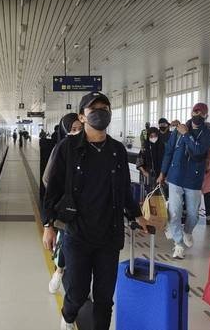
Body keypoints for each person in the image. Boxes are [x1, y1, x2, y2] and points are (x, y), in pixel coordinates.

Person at [43, 91, 148, 330]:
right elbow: (52, 190)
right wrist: (48, 226)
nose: (101, 113)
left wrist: (136, 214)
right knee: (77, 292)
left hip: (109, 236)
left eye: (105, 109)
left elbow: (123, 189)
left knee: (104, 298)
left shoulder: (117, 150)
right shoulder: (67, 148)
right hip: (77, 234)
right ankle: (68, 317)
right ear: (82, 116)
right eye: (94, 109)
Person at [158, 103, 210, 259]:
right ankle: (178, 244)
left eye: (202, 113)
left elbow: (198, 151)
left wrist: (187, 134)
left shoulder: (207, 133)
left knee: (193, 214)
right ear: (191, 111)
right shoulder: (177, 131)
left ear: (206, 116)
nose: (198, 114)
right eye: (196, 111)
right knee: (174, 212)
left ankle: (187, 231)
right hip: (176, 176)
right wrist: (163, 172)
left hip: (194, 179)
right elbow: (169, 152)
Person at [41, 113, 83, 295]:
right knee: (66, 241)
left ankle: (79, 281)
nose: (77, 133)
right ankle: (59, 271)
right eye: (73, 130)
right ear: (65, 130)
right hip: (67, 209)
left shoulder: (90, 148)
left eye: (80, 129)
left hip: (87, 209)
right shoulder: (60, 149)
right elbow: (47, 179)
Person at [136, 127, 165, 194]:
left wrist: (163, 174)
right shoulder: (145, 147)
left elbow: (166, 160)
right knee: (148, 194)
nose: (153, 138)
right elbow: (139, 161)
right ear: (148, 136)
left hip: (160, 175)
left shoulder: (162, 146)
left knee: (159, 195)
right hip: (148, 175)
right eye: (151, 136)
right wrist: (144, 172)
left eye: (155, 136)